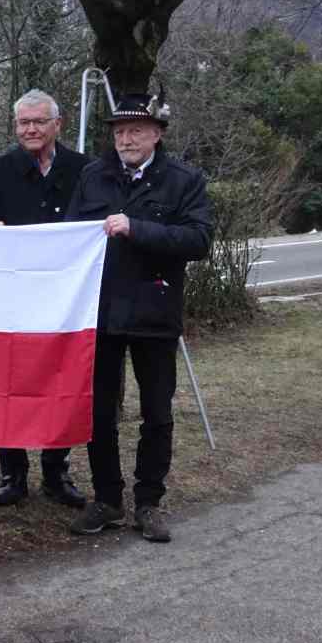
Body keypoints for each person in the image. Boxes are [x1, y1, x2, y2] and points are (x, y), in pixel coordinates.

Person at [65, 92, 212, 542]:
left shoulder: (184, 180)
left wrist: (136, 227)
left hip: (154, 311)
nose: (126, 139)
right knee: (99, 412)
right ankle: (107, 499)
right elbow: (70, 234)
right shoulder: (93, 176)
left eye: (136, 130)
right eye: (119, 131)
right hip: (103, 313)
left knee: (156, 413)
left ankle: (149, 502)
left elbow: (198, 239)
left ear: (157, 134)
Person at [0, 88, 89, 509]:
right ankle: (12, 473)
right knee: (11, 382)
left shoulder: (84, 170)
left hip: (66, 301)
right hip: (11, 301)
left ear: (58, 124)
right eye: (24, 122)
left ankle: (57, 472)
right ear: (15, 126)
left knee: (62, 380)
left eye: (40, 121)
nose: (31, 129)